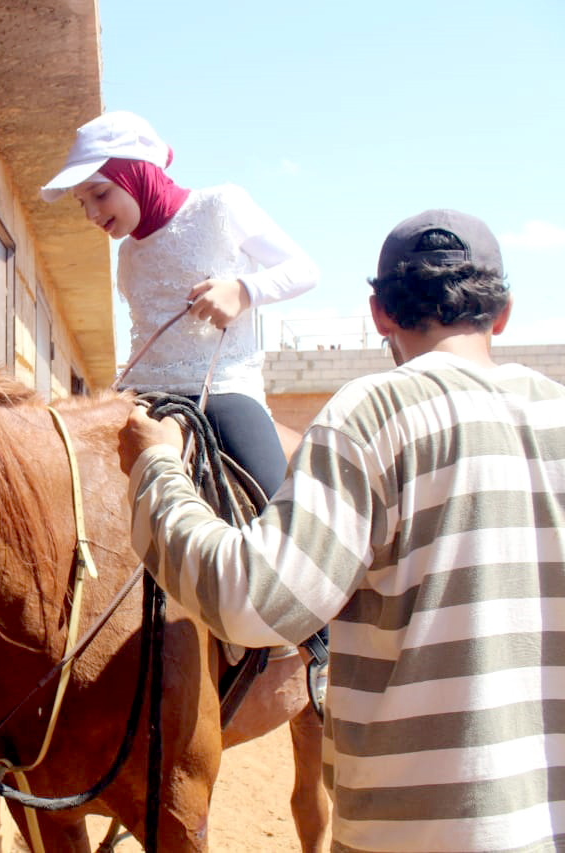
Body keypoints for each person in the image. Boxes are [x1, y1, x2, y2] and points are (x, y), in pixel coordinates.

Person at [118, 208, 565, 852]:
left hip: (412, 833)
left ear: (379, 314)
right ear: (503, 314)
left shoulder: (373, 413)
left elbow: (253, 602)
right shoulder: (555, 414)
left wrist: (156, 469)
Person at [42, 110, 318, 498]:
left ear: (136, 174)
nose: (91, 213)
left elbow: (305, 269)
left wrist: (242, 291)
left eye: (100, 194)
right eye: (81, 202)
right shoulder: (128, 255)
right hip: (142, 395)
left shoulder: (220, 205)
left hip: (220, 390)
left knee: (276, 506)